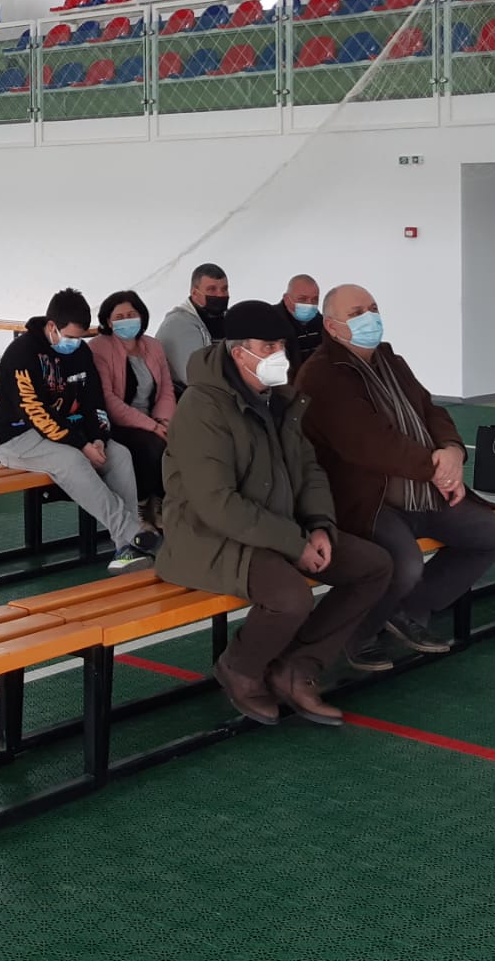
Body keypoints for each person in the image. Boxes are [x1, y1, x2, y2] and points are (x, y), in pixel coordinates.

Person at [159, 300, 390, 726]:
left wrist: (319, 526)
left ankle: (296, 667)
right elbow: (217, 504)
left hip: (277, 526)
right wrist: (295, 543)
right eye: (268, 347)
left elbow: (309, 469)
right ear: (238, 352)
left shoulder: (280, 399)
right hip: (209, 536)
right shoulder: (202, 407)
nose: (279, 354)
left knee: (373, 567)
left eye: (281, 345)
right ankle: (241, 667)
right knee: (289, 598)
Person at [296, 284, 495, 670]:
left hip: (419, 489)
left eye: (373, 308)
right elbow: (370, 444)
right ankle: (360, 633)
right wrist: (437, 469)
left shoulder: (389, 360)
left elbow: (430, 410)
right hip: (365, 499)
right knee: (405, 564)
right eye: (356, 313)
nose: (369, 318)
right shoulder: (321, 375)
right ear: (331, 326)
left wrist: (452, 449)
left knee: (493, 535)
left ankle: (405, 610)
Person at [0, 288, 159, 572]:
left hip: (71, 431)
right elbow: (36, 413)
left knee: (119, 455)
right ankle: (134, 533)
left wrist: (98, 438)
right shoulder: (21, 354)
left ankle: (126, 548)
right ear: (51, 326)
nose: (75, 343)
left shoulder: (81, 352)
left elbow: (94, 401)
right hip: (18, 437)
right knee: (72, 460)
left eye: (80, 337)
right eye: (70, 337)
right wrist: (81, 445)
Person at [88, 290, 176, 529]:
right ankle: (140, 505)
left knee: (182, 439)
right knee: (151, 445)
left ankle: (160, 504)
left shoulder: (153, 346)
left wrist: (163, 421)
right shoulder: (99, 348)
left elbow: (166, 389)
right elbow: (107, 399)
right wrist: (152, 426)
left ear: (141, 316)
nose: (126, 320)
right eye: (119, 317)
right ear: (108, 322)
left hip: (154, 419)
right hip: (116, 423)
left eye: (131, 314)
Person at [156, 262, 229, 392]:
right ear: (195, 293)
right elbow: (195, 377)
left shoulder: (228, 318)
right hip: (190, 398)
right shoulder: (178, 324)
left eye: (224, 289)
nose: (220, 295)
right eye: (212, 289)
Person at [281, 274, 324, 374]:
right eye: (302, 299)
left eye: (314, 299)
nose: (309, 304)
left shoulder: (322, 323)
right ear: (286, 299)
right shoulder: (272, 322)